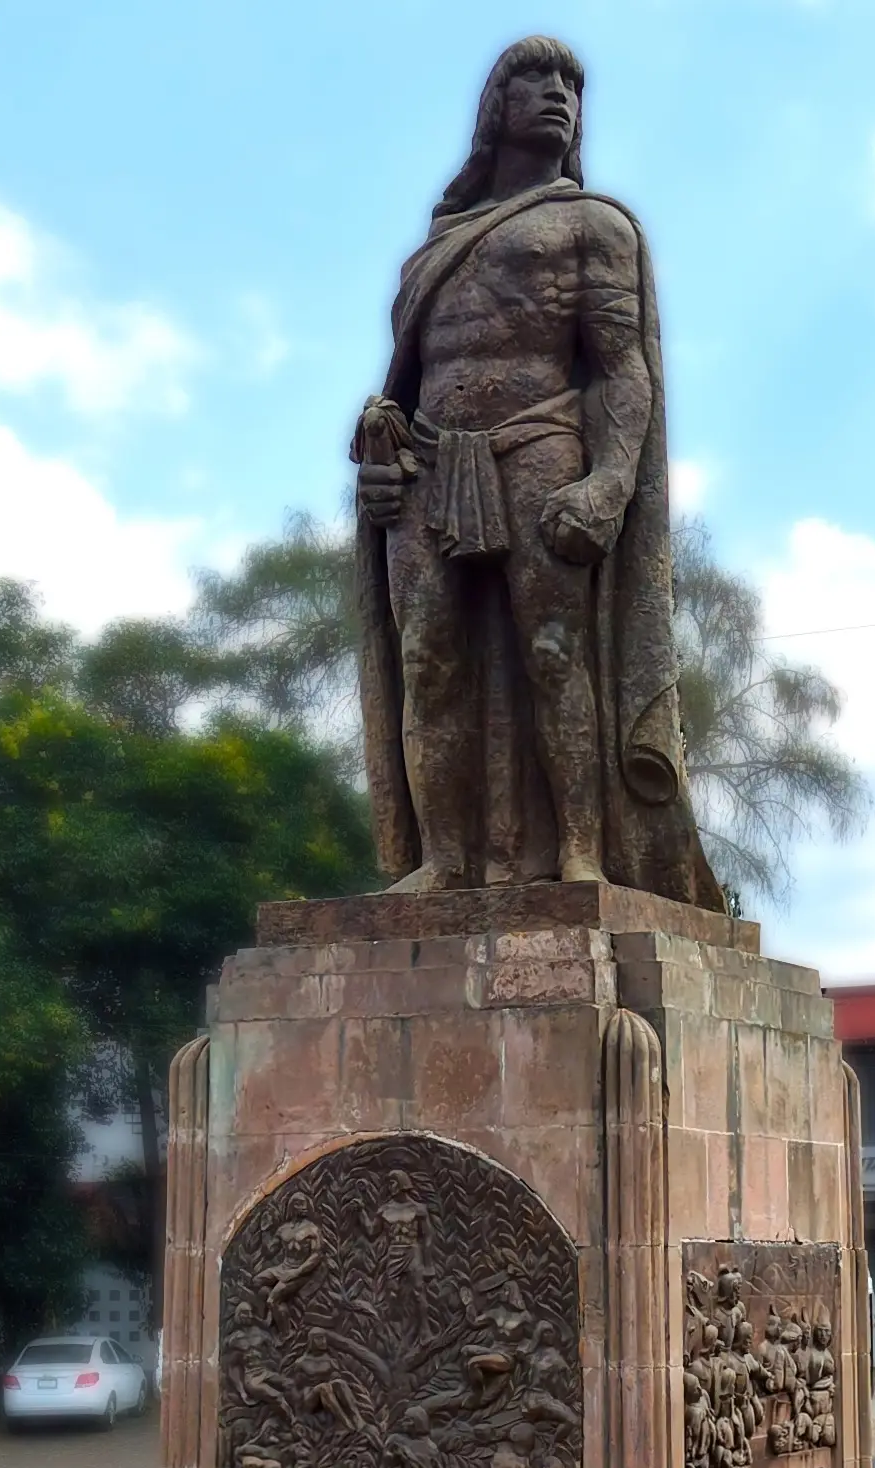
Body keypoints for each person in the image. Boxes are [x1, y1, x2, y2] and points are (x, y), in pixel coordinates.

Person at [352, 36, 722, 906]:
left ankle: (584, 857)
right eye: (538, 79)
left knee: (555, 655)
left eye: (572, 84)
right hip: (433, 466)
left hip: (540, 448)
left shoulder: (596, 225)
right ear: (497, 106)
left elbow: (623, 369)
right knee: (430, 662)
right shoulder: (430, 252)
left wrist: (609, 483)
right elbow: (406, 384)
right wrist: (379, 459)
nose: (559, 94)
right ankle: (444, 861)